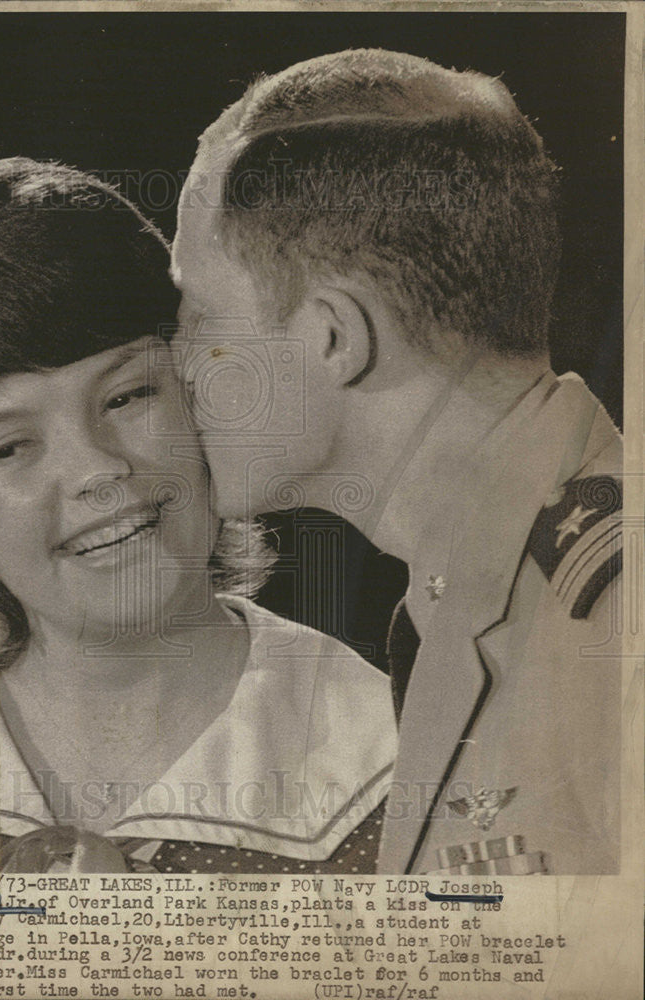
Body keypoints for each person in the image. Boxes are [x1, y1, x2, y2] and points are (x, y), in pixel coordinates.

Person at [0, 157, 397, 875]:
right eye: (10, 448)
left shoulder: (395, 766)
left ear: (203, 392)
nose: (96, 468)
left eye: (127, 397)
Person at [171, 49, 622, 875]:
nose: (178, 364)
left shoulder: (618, 617)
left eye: (201, 312)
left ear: (332, 336)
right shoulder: (465, 589)